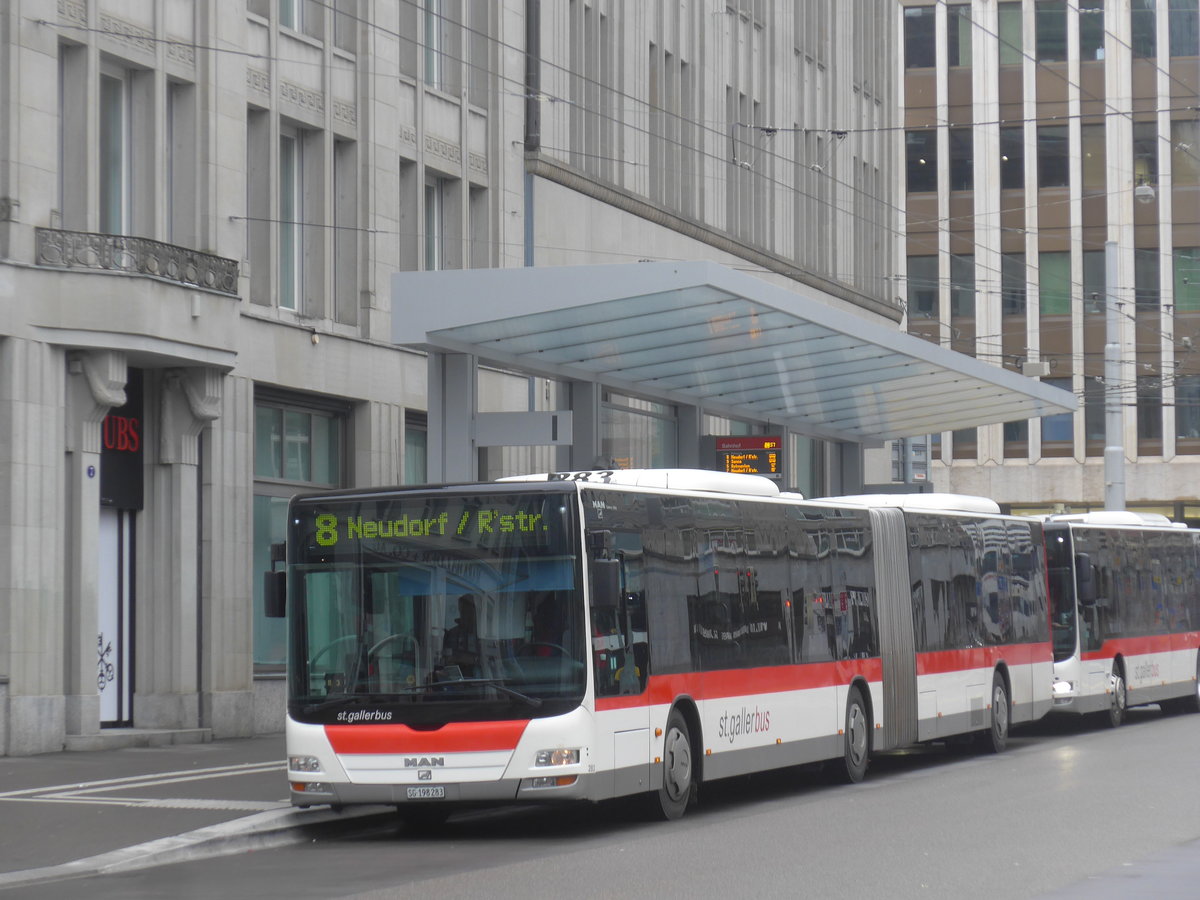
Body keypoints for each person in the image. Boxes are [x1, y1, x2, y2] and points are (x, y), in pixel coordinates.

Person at [442, 594, 479, 676]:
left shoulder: (483, 633)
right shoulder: (452, 633)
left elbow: (489, 660)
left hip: (482, 680)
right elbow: (446, 659)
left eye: (469, 610)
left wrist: (467, 659)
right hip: (455, 679)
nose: (465, 614)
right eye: (463, 611)